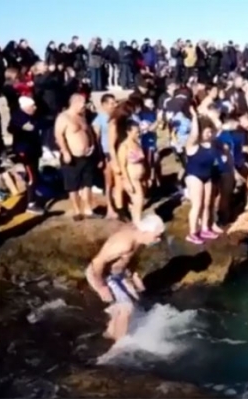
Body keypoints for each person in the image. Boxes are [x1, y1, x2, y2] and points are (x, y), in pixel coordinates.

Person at [85, 213, 165, 342]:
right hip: (103, 275)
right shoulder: (124, 244)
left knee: (133, 300)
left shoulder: (139, 236)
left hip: (119, 274)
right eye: (156, 236)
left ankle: (109, 335)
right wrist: (101, 287)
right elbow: (97, 262)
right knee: (127, 307)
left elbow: (131, 258)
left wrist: (133, 276)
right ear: (146, 231)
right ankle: (119, 346)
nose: (158, 240)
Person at [54, 94, 98, 221]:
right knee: (73, 185)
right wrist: (65, 152)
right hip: (72, 156)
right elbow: (59, 136)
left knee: (87, 183)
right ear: (75, 102)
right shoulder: (63, 117)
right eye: (83, 103)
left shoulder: (82, 116)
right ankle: (77, 210)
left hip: (87, 155)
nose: (85, 106)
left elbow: (89, 132)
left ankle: (88, 209)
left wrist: (92, 145)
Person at [184, 117, 221, 244]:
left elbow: (218, 127)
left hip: (207, 176)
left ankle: (205, 228)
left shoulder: (211, 144)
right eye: (207, 132)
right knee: (197, 205)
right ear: (200, 132)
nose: (210, 134)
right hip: (194, 176)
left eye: (210, 132)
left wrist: (210, 116)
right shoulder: (192, 145)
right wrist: (194, 116)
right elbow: (194, 133)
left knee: (207, 204)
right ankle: (192, 233)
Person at [7, 96, 44, 213]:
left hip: (33, 151)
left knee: (33, 174)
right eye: (32, 106)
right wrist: (21, 129)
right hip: (25, 152)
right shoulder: (18, 117)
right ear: (26, 107)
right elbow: (11, 128)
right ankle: (31, 203)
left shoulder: (32, 116)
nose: (35, 107)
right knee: (32, 177)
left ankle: (31, 192)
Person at [92, 93, 118, 219]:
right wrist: (100, 157)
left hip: (118, 152)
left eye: (115, 102)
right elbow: (95, 140)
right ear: (104, 105)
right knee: (109, 182)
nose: (115, 105)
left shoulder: (117, 117)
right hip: (106, 153)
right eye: (112, 103)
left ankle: (119, 204)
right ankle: (110, 208)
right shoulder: (99, 120)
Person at [117, 120, 146, 223]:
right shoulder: (124, 146)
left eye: (138, 131)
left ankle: (136, 222)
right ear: (128, 132)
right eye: (136, 132)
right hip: (131, 178)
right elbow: (122, 166)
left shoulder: (137, 143)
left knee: (137, 203)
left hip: (140, 177)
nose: (138, 134)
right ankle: (137, 223)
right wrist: (127, 182)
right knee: (139, 200)